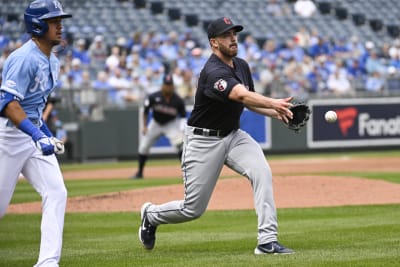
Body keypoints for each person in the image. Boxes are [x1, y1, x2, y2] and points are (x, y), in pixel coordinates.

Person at [138, 17, 294, 255]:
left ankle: (267, 240)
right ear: (213, 42)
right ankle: (151, 215)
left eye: (235, 34)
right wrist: (274, 102)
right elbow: (241, 95)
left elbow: (250, 101)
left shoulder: (241, 65)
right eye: (226, 35)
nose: (233, 38)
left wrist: (277, 112)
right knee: (193, 209)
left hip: (233, 136)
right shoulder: (212, 71)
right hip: (203, 141)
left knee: (261, 171)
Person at [0, 1, 71, 266]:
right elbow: (9, 104)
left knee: (56, 192)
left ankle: (47, 262)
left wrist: (45, 133)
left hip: (30, 134)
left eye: (60, 21)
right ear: (38, 24)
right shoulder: (23, 58)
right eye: (55, 21)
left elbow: (34, 107)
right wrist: (36, 134)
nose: (60, 26)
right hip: (9, 136)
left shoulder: (52, 61)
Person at [131, 73, 186, 179]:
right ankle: (139, 172)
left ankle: (186, 173)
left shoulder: (178, 100)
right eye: (166, 84)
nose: (168, 87)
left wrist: (182, 128)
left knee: (180, 145)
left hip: (171, 124)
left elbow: (183, 116)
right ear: (163, 85)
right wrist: (145, 126)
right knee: (143, 147)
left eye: (170, 84)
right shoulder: (154, 96)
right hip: (155, 123)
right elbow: (146, 111)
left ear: (173, 86)